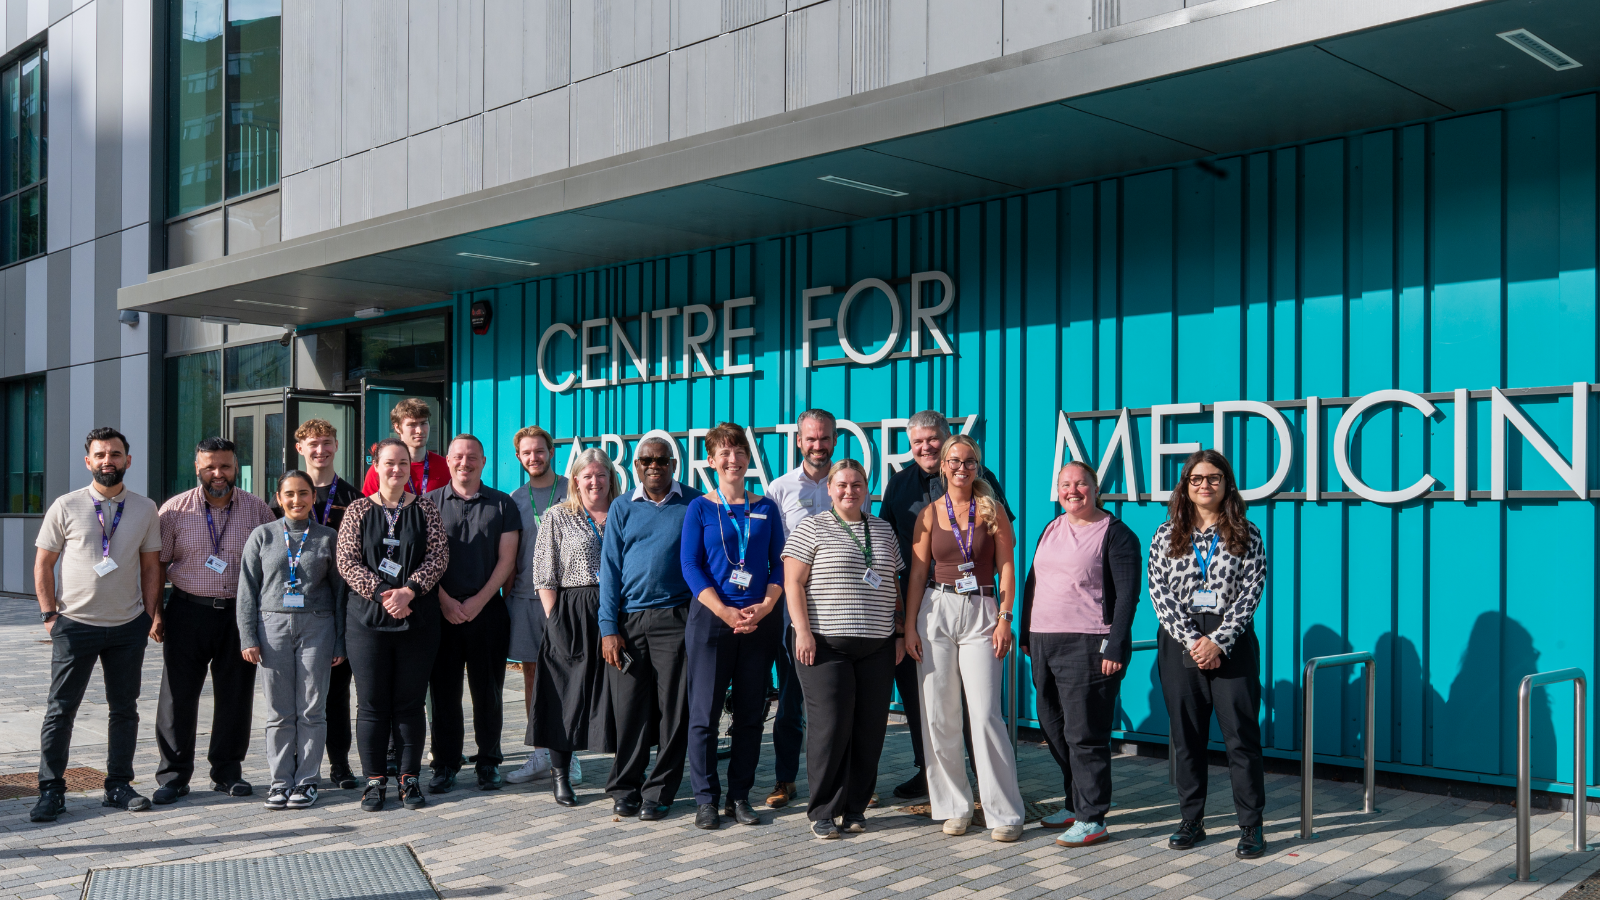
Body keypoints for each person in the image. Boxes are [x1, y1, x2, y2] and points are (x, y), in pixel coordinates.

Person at [877, 409, 1013, 800]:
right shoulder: (898, 486)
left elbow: (1004, 549)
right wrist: (905, 621)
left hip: (977, 604)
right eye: (917, 441)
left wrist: (1004, 614)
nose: (925, 447)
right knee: (929, 704)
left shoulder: (980, 481)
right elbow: (889, 545)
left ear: (948, 439)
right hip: (925, 603)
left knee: (980, 706)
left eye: (932, 439)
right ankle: (932, 776)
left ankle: (986, 783)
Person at [29, 427, 164, 821]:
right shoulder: (66, 506)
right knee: (61, 710)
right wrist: (50, 615)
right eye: (101, 455)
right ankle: (51, 790)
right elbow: (43, 564)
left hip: (127, 627)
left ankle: (118, 785)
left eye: (116, 454)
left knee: (124, 709)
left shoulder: (144, 508)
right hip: (75, 624)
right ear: (88, 462)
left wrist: (149, 615)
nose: (109, 460)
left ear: (128, 460)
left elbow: (151, 566)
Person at [903, 435, 1025, 842]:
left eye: (969, 461)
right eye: (954, 461)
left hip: (983, 611)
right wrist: (908, 627)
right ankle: (954, 806)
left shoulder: (992, 510)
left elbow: (1007, 567)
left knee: (986, 714)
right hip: (936, 611)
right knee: (939, 714)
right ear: (943, 466)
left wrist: (1006, 617)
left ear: (978, 466)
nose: (961, 467)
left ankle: (1004, 812)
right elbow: (918, 574)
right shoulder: (928, 514)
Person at [1149, 449, 1268, 860]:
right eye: (1196, 478)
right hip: (1180, 639)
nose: (1205, 485)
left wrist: (1218, 641)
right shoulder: (1165, 535)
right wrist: (1192, 641)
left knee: (1241, 739)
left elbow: (1251, 593)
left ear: (1226, 483)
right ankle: (1191, 820)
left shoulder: (1247, 533)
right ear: (1185, 486)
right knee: (1187, 739)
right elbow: (1160, 594)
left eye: (1214, 477)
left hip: (1231, 641)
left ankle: (1251, 827)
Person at [1019, 461, 1141, 846]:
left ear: (1095, 487)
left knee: (1085, 733)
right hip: (1043, 640)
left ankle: (1093, 817)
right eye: (1065, 484)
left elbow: (1126, 597)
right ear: (1057, 491)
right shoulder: (1052, 527)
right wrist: (1026, 632)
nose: (1073, 490)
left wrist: (1116, 644)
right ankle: (1075, 804)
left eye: (1081, 484)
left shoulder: (1116, 534)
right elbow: (1033, 581)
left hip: (1089, 643)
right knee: (1054, 726)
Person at [782, 459, 905, 840]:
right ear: (831, 489)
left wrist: (899, 631)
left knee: (870, 728)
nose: (849, 491)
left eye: (857, 484)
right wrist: (802, 631)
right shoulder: (811, 527)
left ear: (867, 489)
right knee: (830, 727)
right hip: (825, 645)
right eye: (842, 485)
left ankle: (855, 807)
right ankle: (822, 809)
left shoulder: (883, 530)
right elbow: (793, 583)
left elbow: (894, 583)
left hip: (878, 645)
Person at [153, 436, 277, 805]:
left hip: (240, 615)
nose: (218, 474)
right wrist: (155, 612)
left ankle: (227, 771)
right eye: (210, 466)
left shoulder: (257, 511)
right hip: (187, 611)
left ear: (236, 466)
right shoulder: (173, 512)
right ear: (197, 468)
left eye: (224, 465)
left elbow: (272, 564)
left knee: (236, 695)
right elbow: (157, 565)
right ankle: (174, 776)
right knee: (177, 696)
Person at [680, 423, 785, 830]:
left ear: (748, 458)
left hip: (759, 622)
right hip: (711, 622)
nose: (733, 459)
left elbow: (780, 563)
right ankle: (706, 799)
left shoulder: (766, 507)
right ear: (711, 460)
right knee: (704, 714)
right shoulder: (701, 508)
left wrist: (766, 607)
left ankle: (739, 796)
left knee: (749, 715)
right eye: (723, 452)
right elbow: (690, 565)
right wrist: (725, 612)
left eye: (739, 451)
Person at [336, 437, 449, 812]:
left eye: (403, 463)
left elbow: (438, 556)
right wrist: (387, 592)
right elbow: (347, 562)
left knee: (410, 703)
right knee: (371, 705)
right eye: (389, 463)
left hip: (417, 621)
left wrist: (409, 591)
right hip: (367, 622)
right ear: (375, 466)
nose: (396, 470)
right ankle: (373, 782)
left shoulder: (427, 509)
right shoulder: (357, 511)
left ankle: (409, 778)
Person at [598, 437, 702, 820]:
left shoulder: (693, 503)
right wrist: (608, 628)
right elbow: (608, 571)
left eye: (661, 460)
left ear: (674, 463)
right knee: (629, 711)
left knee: (674, 711)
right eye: (646, 460)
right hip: (628, 623)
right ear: (636, 465)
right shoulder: (623, 506)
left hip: (676, 619)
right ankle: (625, 788)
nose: (654, 465)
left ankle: (659, 792)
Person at [237, 470, 347, 811]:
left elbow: (341, 594)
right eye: (289, 494)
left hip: (318, 627)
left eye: (303, 493)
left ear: (313, 497)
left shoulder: (328, 537)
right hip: (272, 629)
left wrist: (340, 642)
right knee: (279, 711)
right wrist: (248, 636)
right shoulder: (262, 536)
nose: (296, 500)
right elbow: (247, 590)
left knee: (312, 709)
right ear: (278, 497)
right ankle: (280, 781)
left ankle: (307, 781)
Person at [424, 435, 519, 793]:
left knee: (488, 691)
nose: (465, 462)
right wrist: (444, 600)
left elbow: (507, 559)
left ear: (484, 461)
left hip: (487, 611)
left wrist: (480, 600)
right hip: (441, 611)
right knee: (444, 693)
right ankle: (446, 763)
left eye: (472, 457)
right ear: (447, 461)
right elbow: (422, 560)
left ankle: (488, 761)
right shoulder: (428, 504)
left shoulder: (502, 504)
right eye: (458, 456)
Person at [529, 447, 621, 807]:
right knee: (563, 695)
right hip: (571, 610)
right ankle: (561, 776)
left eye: (601, 475)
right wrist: (555, 623)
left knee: (616, 695)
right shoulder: (557, 516)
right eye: (588, 476)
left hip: (616, 612)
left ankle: (624, 775)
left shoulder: (624, 512)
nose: (595, 482)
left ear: (610, 478)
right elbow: (544, 574)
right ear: (576, 481)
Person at [760, 409, 837, 810]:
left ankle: (842, 781)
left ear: (835, 439)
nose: (818, 446)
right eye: (811, 439)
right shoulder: (780, 488)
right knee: (791, 696)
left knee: (839, 696)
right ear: (799, 441)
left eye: (824, 438)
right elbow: (772, 550)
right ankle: (785, 780)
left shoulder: (848, 483)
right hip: (794, 605)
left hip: (840, 603)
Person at [281, 417, 363, 790]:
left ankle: (340, 764)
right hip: (292, 611)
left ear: (336, 446)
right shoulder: (288, 492)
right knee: (297, 694)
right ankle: (297, 762)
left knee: (336, 693)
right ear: (300, 449)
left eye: (327, 442)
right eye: (313, 444)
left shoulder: (352, 497)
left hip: (338, 609)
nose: (321, 449)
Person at [503, 425, 568, 786]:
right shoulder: (515, 499)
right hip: (526, 600)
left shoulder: (571, 491)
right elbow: (511, 558)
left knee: (568, 674)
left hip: (566, 599)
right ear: (519, 458)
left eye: (539, 451)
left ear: (551, 451)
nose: (534, 457)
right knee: (532, 674)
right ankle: (541, 751)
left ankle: (568, 754)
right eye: (527, 453)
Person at [360, 397, 450, 496]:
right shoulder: (383, 469)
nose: (419, 430)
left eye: (423, 423)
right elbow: (368, 508)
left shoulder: (446, 466)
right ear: (397, 428)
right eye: (412, 425)